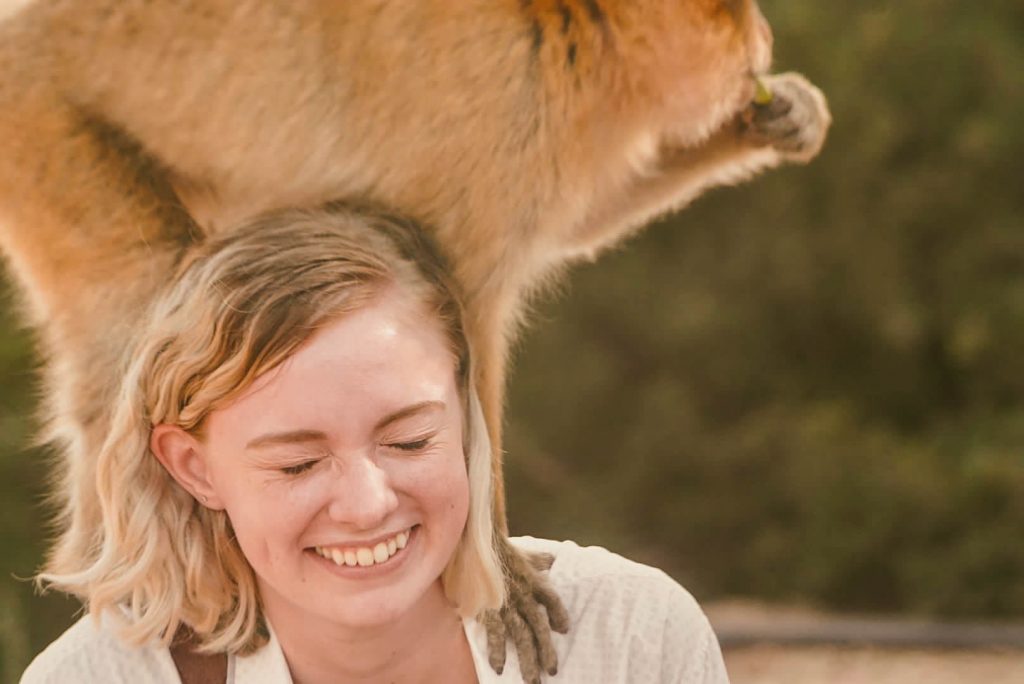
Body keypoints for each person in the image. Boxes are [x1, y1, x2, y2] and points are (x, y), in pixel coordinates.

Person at [21, 203, 729, 683]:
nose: (366, 505)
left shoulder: (628, 640)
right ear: (194, 467)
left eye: (410, 441)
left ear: (467, 413)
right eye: (298, 464)